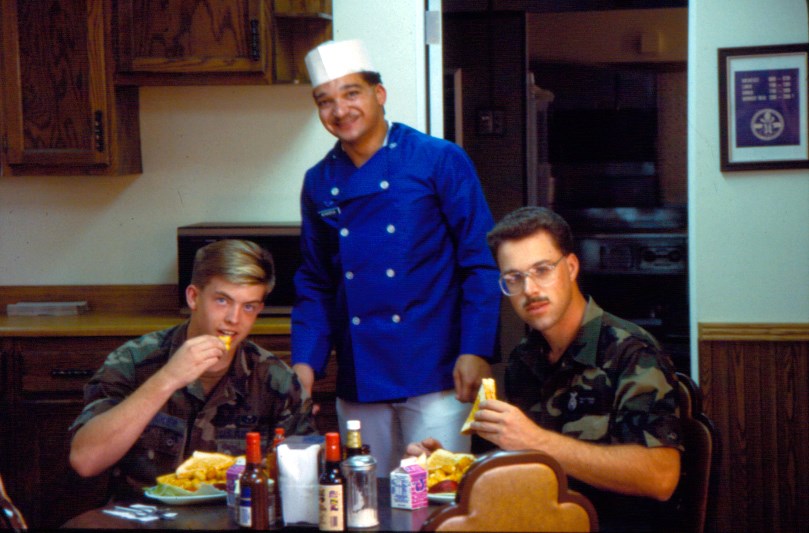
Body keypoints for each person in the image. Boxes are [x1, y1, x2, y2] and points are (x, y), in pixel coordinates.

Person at [291, 39, 501, 475]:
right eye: (325, 101)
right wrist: (306, 362)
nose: (340, 110)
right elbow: (315, 282)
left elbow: (480, 261)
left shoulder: (438, 159)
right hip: (360, 375)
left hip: (437, 370)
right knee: (366, 498)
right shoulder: (318, 182)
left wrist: (476, 348)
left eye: (351, 93)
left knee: (440, 496)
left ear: (379, 95)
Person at [407, 206, 683, 532]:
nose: (531, 290)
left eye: (542, 270)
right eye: (514, 278)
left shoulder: (631, 352)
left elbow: (661, 477)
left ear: (570, 267)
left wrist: (536, 440)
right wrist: (453, 468)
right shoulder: (525, 358)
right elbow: (519, 472)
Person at [69, 239, 317, 499]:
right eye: (222, 300)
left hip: (237, 518)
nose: (234, 319)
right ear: (194, 297)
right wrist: (167, 379)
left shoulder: (276, 379)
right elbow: (86, 461)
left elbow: (304, 482)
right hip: (144, 520)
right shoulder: (132, 361)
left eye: (248, 306)